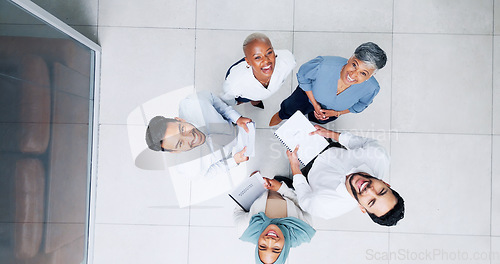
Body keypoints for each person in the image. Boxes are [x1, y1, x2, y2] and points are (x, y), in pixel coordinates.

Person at [285, 125, 404, 226]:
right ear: (385, 183)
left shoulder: (326, 207)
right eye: (381, 191)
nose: (369, 190)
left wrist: (295, 167)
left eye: (371, 201)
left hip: (307, 173)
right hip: (331, 149)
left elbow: (305, 200)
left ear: (362, 208)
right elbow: (363, 142)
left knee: (293, 184)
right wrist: (330, 134)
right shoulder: (378, 156)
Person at [269, 42, 387, 126]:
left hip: (330, 112)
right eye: (354, 65)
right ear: (351, 58)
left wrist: (337, 113)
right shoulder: (322, 65)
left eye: (363, 73)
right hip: (305, 97)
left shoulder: (371, 89)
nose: (353, 74)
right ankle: (281, 116)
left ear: (371, 76)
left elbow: (361, 105)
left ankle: (311, 119)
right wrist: (315, 104)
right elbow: (304, 77)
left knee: (317, 121)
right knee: (288, 110)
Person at [145, 91, 253, 179]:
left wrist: (236, 117)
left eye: (182, 129)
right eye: (181, 143)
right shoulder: (189, 167)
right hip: (235, 152)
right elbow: (210, 172)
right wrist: (233, 161)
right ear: (176, 151)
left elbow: (213, 99)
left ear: (179, 120)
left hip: (236, 126)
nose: (191, 137)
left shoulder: (194, 102)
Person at [235, 173, 315, 264]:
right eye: (276, 248)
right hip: (291, 183)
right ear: (284, 250)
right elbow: (303, 203)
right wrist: (282, 189)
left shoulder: (244, 229)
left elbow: (239, 207)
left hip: (261, 177)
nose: (270, 240)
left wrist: (252, 185)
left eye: (262, 247)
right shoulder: (304, 230)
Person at [220, 32, 296, 109]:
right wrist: (238, 102)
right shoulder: (235, 85)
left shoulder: (287, 61)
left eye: (269, 52)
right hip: (242, 87)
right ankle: (254, 100)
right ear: (248, 61)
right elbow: (227, 98)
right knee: (251, 97)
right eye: (257, 57)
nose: (266, 61)